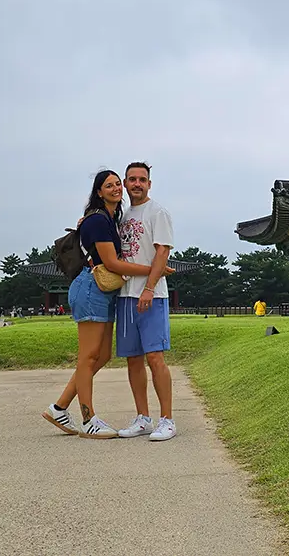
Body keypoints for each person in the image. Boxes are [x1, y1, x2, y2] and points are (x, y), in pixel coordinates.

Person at [42, 170, 171, 439]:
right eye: (108, 185)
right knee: (88, 357)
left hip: (107, 292)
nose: (115, 188)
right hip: (91, 288)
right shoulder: (100, 221)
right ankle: (88, 418)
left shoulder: (114, 219)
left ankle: (59, 407)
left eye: (116, 184)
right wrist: (153, 270)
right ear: (99, 191)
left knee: (101, 357)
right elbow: (111, 264)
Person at [113, 162, 178, 442]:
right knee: (133, 359)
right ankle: (143, 418)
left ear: (149, 184)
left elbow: (162, 251)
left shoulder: (158, 212)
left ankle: (167, 419)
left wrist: (149, 288)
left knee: (155, 357)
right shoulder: (123, 216)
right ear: (125, 184)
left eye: (142, 179)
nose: (137, 184)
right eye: (132, 179)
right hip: (125, 295)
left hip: (152, 295)